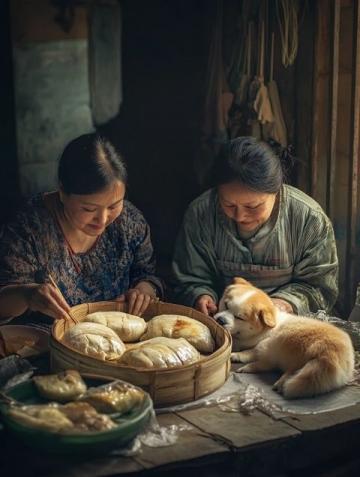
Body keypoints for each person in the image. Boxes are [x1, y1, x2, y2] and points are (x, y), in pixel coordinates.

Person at [0, 133, 163, 323]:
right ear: (62, 192)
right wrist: (27, 295)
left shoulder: (130, 222)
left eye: (113, 206)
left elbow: (147, 274)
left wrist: (144, 290)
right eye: (89, 208)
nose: (102, 220)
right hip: (45, 343)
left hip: (119, 339)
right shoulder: (28, 228)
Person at [172, 136, 338, 317]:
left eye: (253, 207)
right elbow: (188, 278)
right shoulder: (200, 213)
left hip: (287, 323)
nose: (240, 216)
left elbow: (320, 286)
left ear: (276, 190)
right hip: (224, 321)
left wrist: (280, 306)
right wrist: (201, 296)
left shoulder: (309, 218)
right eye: (228, 205)